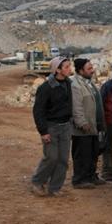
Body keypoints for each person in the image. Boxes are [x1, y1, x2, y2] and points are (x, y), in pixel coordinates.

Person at [30, 57, 74, 196]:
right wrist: (43, 131)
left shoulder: (69, 84)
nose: (69, 69)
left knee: (63, 159)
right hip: (51, 127)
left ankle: (55, 187)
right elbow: (38, 111)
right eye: (66, 67)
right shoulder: (46, 87)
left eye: (69, 66)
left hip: (66, 127)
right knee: (51, 157)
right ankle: (37, 181)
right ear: (58, 70)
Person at [70, 58, 105, 188]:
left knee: (93, 152)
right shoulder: (75, 85)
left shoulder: (89, 83)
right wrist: (81, 122)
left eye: (92, 68)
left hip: (93, 125)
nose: (92, 70)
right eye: (89, 68)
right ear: (80, 71)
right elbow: (76, 106)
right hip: (82, 128)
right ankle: (79, 179)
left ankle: (91, 175)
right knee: (82, 154)